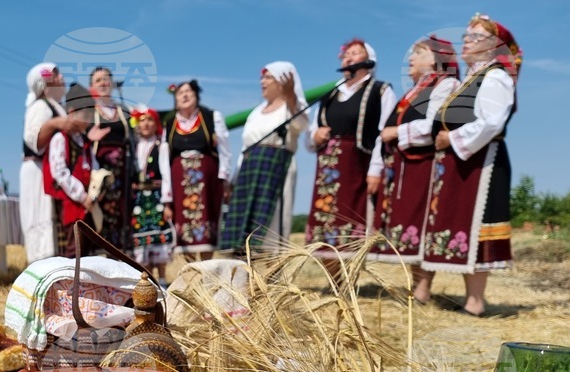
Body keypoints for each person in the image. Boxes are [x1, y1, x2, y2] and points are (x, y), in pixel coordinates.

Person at [420, 14, 521, 316]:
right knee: (468, 225)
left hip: (484, 162)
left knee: (480, 227)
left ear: (492, 47)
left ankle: (475, 302)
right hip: (467, 161)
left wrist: (452, 140)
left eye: (475, 36)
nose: (466, 41)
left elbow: (492, 122)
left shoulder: (496, 76)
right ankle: (470, 299)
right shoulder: (470, 78)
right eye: (466, 36)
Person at [371, 36, 460, 304]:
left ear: (435, 59)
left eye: (418, 52)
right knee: (409, 223)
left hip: (427, 165)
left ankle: (422, 291)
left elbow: (434, 125)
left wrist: (397, 132)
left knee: (422, 225)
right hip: (406, 165)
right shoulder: (414, 91)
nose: (410, 58)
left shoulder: (447, 85)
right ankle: (416, 288)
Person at [305, 40, 396, 256]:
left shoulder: (380, 90)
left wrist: (376, 169)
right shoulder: (330, 94)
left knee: (351, 216)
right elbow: (311, 132)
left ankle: (349, 278)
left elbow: (385, 133)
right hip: (326, 170)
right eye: (346, 54)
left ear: (369, 60)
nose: (349, 57)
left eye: (356, 53)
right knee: (324, 220)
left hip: (357, 165)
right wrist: (315, 135)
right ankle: (332, 279)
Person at [220, 61, 308, 256]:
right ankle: (246, 269)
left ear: (282, 81)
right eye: (263, 77)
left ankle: (272, 271)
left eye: (268, 77)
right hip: (250, 169)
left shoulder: (291, 107)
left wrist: (291, 96)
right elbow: (245, 147)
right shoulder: (255, 112)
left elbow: (301, 125)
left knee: (273, 220)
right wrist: (234, 178)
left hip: (276, 166)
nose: (262, 82)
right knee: (245, 220)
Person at [20, 63, 89, 263]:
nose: (62, 78)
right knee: (40, 218)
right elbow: (33, 140)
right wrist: (54, 124)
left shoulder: (55, 106)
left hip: (48, 171)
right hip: (37, 169)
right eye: (56, 74)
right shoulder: (41, 106)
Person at [159, 80, 232, 261]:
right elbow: (164, 162)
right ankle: (192, 273)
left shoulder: (211, 117)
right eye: (180, 93)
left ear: (196, 96)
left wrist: (224, 179)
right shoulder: (169, 125)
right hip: (180, 183)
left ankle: (207, 270)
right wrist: (167, 198)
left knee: (207, 223)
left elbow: (225, 151)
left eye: (188, 92)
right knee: (184, 227)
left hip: (207, 182)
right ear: (175, 99)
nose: (184, 95)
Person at [42, 83, 107, 258]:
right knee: (73, 249)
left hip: (87, 204)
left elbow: (93, 167)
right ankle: (71, 284)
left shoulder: (83, 141)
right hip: (71, 204)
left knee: (86, 249)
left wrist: (96, 189)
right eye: (85, 115)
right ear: (71, 111)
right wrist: (81, 195)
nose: (88, 119)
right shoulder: (60, 138)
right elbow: (60, 172)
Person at [88, 67, 132, 250]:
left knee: (121, 216)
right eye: (98, 80)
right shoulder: (89, 112)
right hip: (100, 175)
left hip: (122, 175)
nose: (103, 83)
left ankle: (121, 261)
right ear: (92, 86)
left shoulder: (122, 110)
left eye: (106, 79)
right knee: (101, 218)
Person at [128, 106, 173, 282]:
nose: (145, 124)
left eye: (150, 120)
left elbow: (166, 174)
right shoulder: (133, 147)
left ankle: (162, 281)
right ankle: (147, 282)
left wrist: (167, 202)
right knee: (141, 242)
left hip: (156, 198)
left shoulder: (161, 146)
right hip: (138, 200)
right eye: (142, 120)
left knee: (159, 239)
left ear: (156, 124)